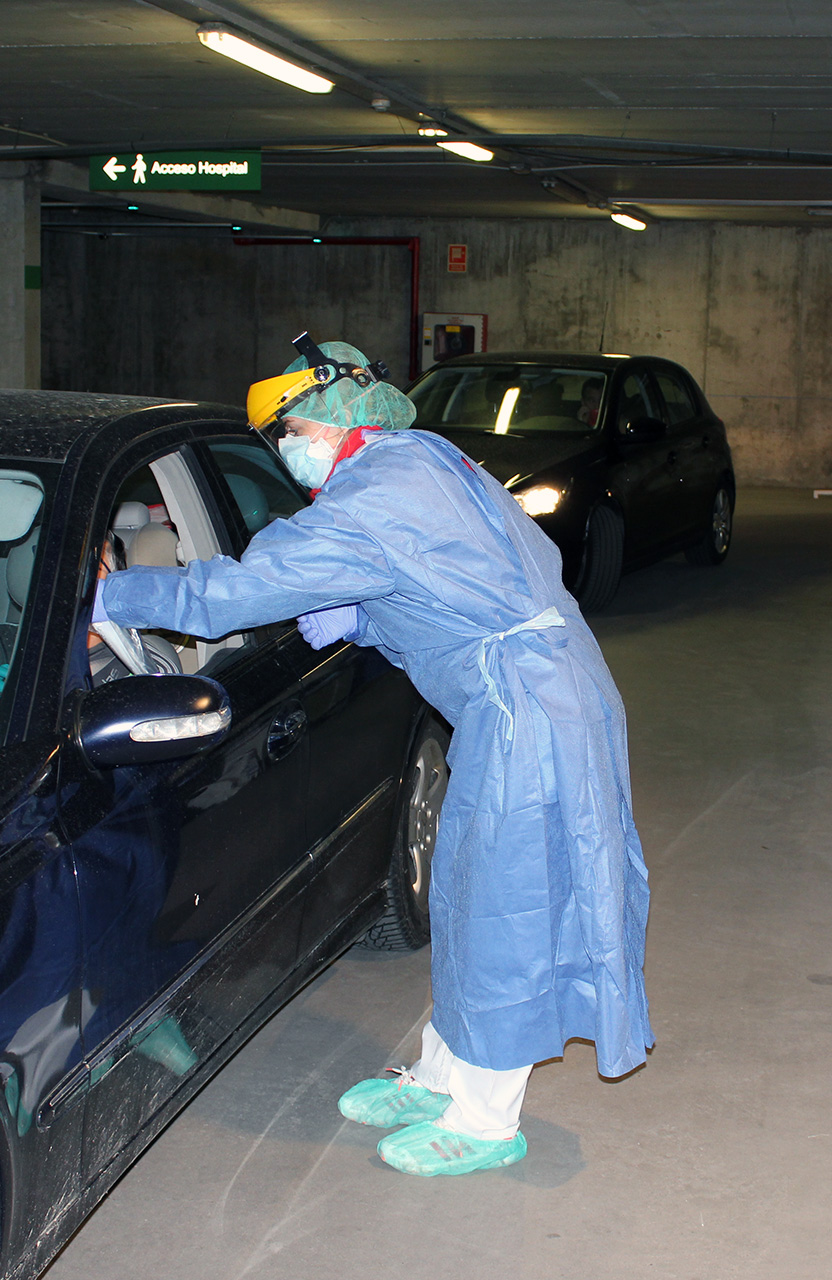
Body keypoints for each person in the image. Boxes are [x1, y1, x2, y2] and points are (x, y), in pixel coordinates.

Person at [94, 336, 653, 1177]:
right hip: (531, 692)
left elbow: (230, 593)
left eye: (290, 429)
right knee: (466, 894)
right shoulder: (417, 457)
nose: (289, 448)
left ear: (329, 417)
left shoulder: (370, 501)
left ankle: (487, 1121)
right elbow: (460, 576)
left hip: (533, 710)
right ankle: (441, 1075)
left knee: (509, 909)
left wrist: (109, 593)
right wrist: (372, 616)